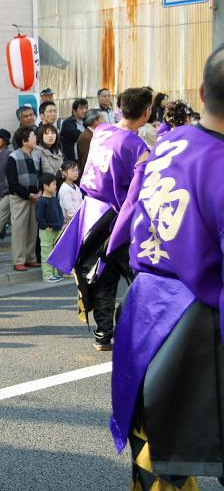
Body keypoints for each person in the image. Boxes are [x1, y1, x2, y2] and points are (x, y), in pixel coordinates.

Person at [109, 46, 224, 490]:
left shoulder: (170, 142)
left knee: (154, 445)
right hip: (197, 318)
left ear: (202, 91)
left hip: (145, 304)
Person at [49, 87, 152, 351]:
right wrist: (121, 231)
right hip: (116, 218)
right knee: (141, 273)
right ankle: (142, 329)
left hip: (91, 212)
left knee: (102, 276)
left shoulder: (101, 131)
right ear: (147, 112)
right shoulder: (138, 147)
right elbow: (135, 197)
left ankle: (103, 333)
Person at [6, 127, 42, 271]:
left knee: (33, 229)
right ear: (24, 140)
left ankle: (30, 258)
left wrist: (39, 192)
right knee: (19, 229)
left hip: (35, 197)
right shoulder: (13, 156)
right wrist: (28, 195)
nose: (35, 139)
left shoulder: (37, 155)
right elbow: (12, 182)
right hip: (19, 198)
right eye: (33, 136)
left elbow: (40, 176)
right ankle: (19, 260)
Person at [35, 173, 64, 283]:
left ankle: (55, 273)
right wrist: (46, 226)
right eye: (53, 184)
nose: (55, 186)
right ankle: (47, 275)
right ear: (45, 186)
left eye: (55, 184)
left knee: (55, 252)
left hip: (56, 229)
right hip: (47, 231)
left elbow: (60, 213)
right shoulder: (42, 201)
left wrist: (60, 223)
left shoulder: (54, 199)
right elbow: (39, 216)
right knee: (47, 252)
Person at [77, 108, 104, 180]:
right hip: (89, 176)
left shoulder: (96, 134)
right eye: (101, 118)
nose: (104, 121)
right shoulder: (86, 137)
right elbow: (86, 160)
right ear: (95, 121)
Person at [58, 160, 82, 225]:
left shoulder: (76, 187)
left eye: (77, 170)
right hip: (70, 223)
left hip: (79, 219)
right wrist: (78, 219)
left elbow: (81, 203)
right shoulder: (64, 189)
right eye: (73, 170)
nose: (76, 173)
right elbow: (69, 210)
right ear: (64, 173)